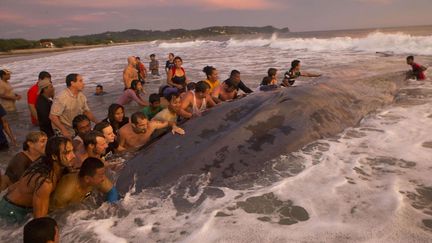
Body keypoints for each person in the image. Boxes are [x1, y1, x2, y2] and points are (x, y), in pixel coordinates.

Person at [0, 137, 75, 224]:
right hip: (11, 211)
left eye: (72, 150)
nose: (73, 156)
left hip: (13, 202)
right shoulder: (45, 182)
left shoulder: (46, 163)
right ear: (54, 156)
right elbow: (39, 221)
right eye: (67, 153)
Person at [51, 157, 118, 209]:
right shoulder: (66, 193)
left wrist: (108, 211)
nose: (103, 178)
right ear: (87, 179)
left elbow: (112, 192)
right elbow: (57, 215)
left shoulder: (97, 179)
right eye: (101, 175)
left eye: (103, 174)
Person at [49, 73, 98, 138]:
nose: (83, 83)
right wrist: (63, 130)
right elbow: (52, 116)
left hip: (76, 128)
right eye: (80, 81)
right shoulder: (62, 97)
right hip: (62, 130)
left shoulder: (81, 95)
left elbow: (86, 112)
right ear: (72, 83)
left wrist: (97, 122)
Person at [118, 111, 183, 150]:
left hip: (146, 147)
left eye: (146, 124)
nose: (145, 127)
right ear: (133, 125)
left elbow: (169, 122)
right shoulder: (123, 132)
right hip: (131, 152)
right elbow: (119, 149)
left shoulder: (151, 125)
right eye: (142, 125)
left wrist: (175, 127)